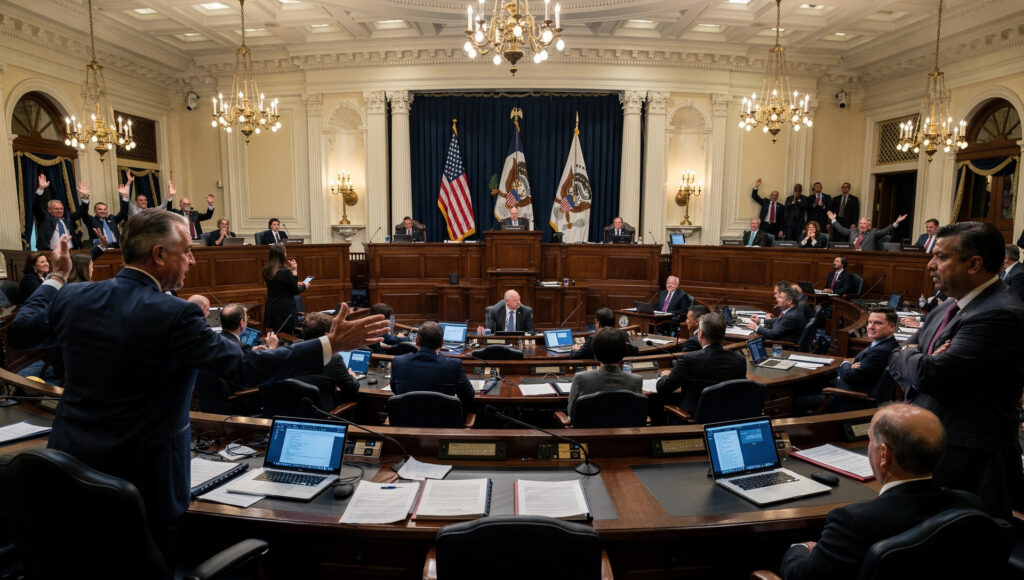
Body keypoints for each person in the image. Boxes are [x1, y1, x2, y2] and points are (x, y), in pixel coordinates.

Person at [8, 210, 389, 561]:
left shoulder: (74, 296)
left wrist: (57, 277)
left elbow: (22, 331)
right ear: (159, 254)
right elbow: (243, 368)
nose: (192, 260)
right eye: (187, 251)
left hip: (70, 471)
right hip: (148, 483)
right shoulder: (175, 314)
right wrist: (329, 344)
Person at [887, 221, 1024, 519]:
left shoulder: (1000, 313)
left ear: (974, 264)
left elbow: (931, 375)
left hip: (970, 466)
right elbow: (897, 355)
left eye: (941, 257)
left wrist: (915, 358)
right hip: (932, 452)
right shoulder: (946, 307)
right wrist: (916, 357)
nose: (930, 265)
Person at [780, 404, 984, 580]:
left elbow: (801, 576)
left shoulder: (852, 522)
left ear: (884, 454)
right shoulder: (969, 504)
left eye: (870, 439)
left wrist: (800, 548)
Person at [794, 307, 899, 415]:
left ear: (891, 326)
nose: (871, 327)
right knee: (803, 386)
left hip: (845, 398)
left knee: (796, 399)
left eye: (877, 323)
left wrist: (846, 363)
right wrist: (850, 365)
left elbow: (850, 375)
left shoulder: (880, 351)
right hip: (844, 388)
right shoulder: (884, 344)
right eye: (869, 322)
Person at [652, 312, 746, 424]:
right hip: (729, 417)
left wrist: (664, 376)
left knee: (657, 405)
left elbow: (663, 388)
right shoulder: (739, 360)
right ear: (723, 334)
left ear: (700, 334)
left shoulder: (689, 360)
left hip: (693, 420)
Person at [390, 321, 474, 410]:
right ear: (442, 343)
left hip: (406, 418)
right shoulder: (454, 365)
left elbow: (395, 391)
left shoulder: (398, 362)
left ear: (417, 341)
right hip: (443, 418)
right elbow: (468, 395)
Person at [566, 327, 643, 419]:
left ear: (595, 355)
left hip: (589, 427)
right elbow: (637, 413)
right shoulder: (636, 380)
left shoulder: (580, 379)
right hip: (623, 427)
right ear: (623, 354)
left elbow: (571, 412)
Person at [297, 311, 361, 408]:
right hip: (323, 412)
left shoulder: (293, 351)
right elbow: (352, 388)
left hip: (295, 409)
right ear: (326, 335)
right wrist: (352, 376)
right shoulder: (332, 357)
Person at [33, 174, 90, 250]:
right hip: (51, 252)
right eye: (56, 209)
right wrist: (41, 188)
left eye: (61, 208)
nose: (59, 210)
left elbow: (82, 211)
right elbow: (35, 206)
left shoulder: (67, 217)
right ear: (49, 210)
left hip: (70, 251)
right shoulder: (44, 217)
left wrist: (85, 196)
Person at [262, 243, 308, 336]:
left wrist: (292, 272)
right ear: (281, 254)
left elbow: (282, 285)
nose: (286, 254)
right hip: (285, 309)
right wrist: (304, 285)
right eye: (285, 252)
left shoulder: (266, 270)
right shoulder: (285, 272)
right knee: (287, 336)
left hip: (272, 307)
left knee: (277, 334)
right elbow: (295, 290)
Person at [570, 307, 639, 360]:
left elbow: (575, 357)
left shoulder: (594, 339)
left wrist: (575, 349)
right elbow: (633, 351)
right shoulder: (623, 334)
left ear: (598, 324)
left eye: (595, 322)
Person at [828, 213, 908, 251]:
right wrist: (833, 220)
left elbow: (884, 231)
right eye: (860, 223)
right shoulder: (853, 231)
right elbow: (842, 230)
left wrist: (896, 223)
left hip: (866, 256)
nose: (862, 225)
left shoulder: (873, 232)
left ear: (869, 226)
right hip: (852, 254)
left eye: (864, 224)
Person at [85, 184, 130, 249]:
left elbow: (123, 212)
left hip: (116, 248)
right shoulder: (91, 220)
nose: (103, 211)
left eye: (105, 209)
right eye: (100, 209)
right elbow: (83, 213)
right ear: (95, 211)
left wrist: (124, 196)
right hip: (101, 248)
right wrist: (85, 198)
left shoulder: (111, 219)